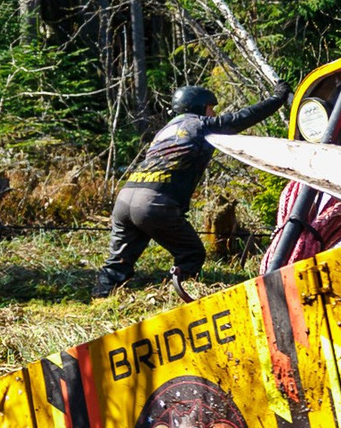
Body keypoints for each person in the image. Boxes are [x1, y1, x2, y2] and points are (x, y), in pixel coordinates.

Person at [96, 83, 288, 300]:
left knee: (118, 262)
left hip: (126, 197)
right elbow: (240, 119)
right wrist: (277, 99)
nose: (214, 113)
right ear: (200, 107)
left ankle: (100, 296)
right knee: (191, 253)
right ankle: (180, 297)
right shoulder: (198, 124)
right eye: (211, 108)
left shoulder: (164, 131)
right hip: (153, 202)